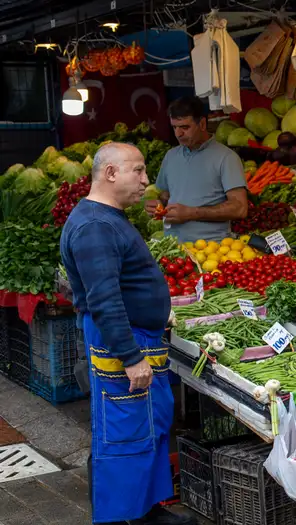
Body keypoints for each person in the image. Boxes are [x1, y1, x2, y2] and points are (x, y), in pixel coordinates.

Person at [60, 143, 192, 525]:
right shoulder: (95, 227)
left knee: (147, 424)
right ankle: (121, 516)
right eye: (139, 171)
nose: (146, 181)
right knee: (125, 432)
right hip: (122, 345)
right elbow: (103, 298)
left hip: (138, 337)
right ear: (111, 173)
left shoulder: (105, 217)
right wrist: (131, 358)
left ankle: (147, 511)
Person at [145, 96, 247, 243]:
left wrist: (191, 213)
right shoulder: (171, 156)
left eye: (185, 127)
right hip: (173, 249)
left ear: (203, 124)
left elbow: (240, 208)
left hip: (212, 250)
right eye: (175, 127)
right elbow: (166, 197)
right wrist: (157, 205)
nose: (178, 134)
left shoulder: (226, 158)